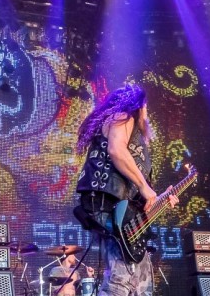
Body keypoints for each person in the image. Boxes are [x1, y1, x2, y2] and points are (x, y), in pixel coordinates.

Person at [75, 84, 179, 296]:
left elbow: (140, 204)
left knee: (140, 285)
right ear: (140, 106)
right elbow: (116, 150)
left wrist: (160, 200)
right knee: (120, 283)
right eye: (146, 108)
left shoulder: (137, 145)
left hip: (124, 216)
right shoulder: (123, 117)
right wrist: (144, 186)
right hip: (110, 207)